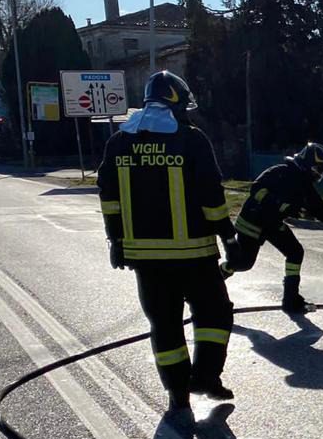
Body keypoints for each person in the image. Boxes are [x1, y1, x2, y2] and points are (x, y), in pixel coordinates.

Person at [97, 71, 236, 412]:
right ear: (176, 103)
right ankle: (205, 377)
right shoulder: (191, 140)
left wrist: (116, 240)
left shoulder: (119, 142)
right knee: (215, 314)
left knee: (165, 326)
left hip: (146, 260)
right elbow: (211, 196)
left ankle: (177, 395)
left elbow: (109, 198)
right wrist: (228, 235)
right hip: (195, 255)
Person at [221, 142, 323, 313]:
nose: (319, 174)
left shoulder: (305, 186)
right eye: (318, 169)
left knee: (295, 252)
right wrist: (278, 203)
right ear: (308, 164)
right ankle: (216, 278)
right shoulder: (280, 172)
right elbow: (257, 189)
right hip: (253, 222)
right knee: (243, 263)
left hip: (273, 224)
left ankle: (291, 299)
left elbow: (322, 212)